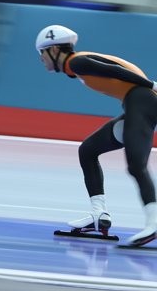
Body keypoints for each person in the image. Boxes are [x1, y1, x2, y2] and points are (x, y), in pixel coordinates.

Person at [37, 24, 157, 247]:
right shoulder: (76, 67)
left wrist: (152, 84)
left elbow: (115, 71)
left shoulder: (76, 62)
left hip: (142, 100)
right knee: (88, 150)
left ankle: (154, 222)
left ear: (54, 51)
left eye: (42, 52)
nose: (41, 58)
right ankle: (98, 214)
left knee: (136, 165)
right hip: (137, 103)